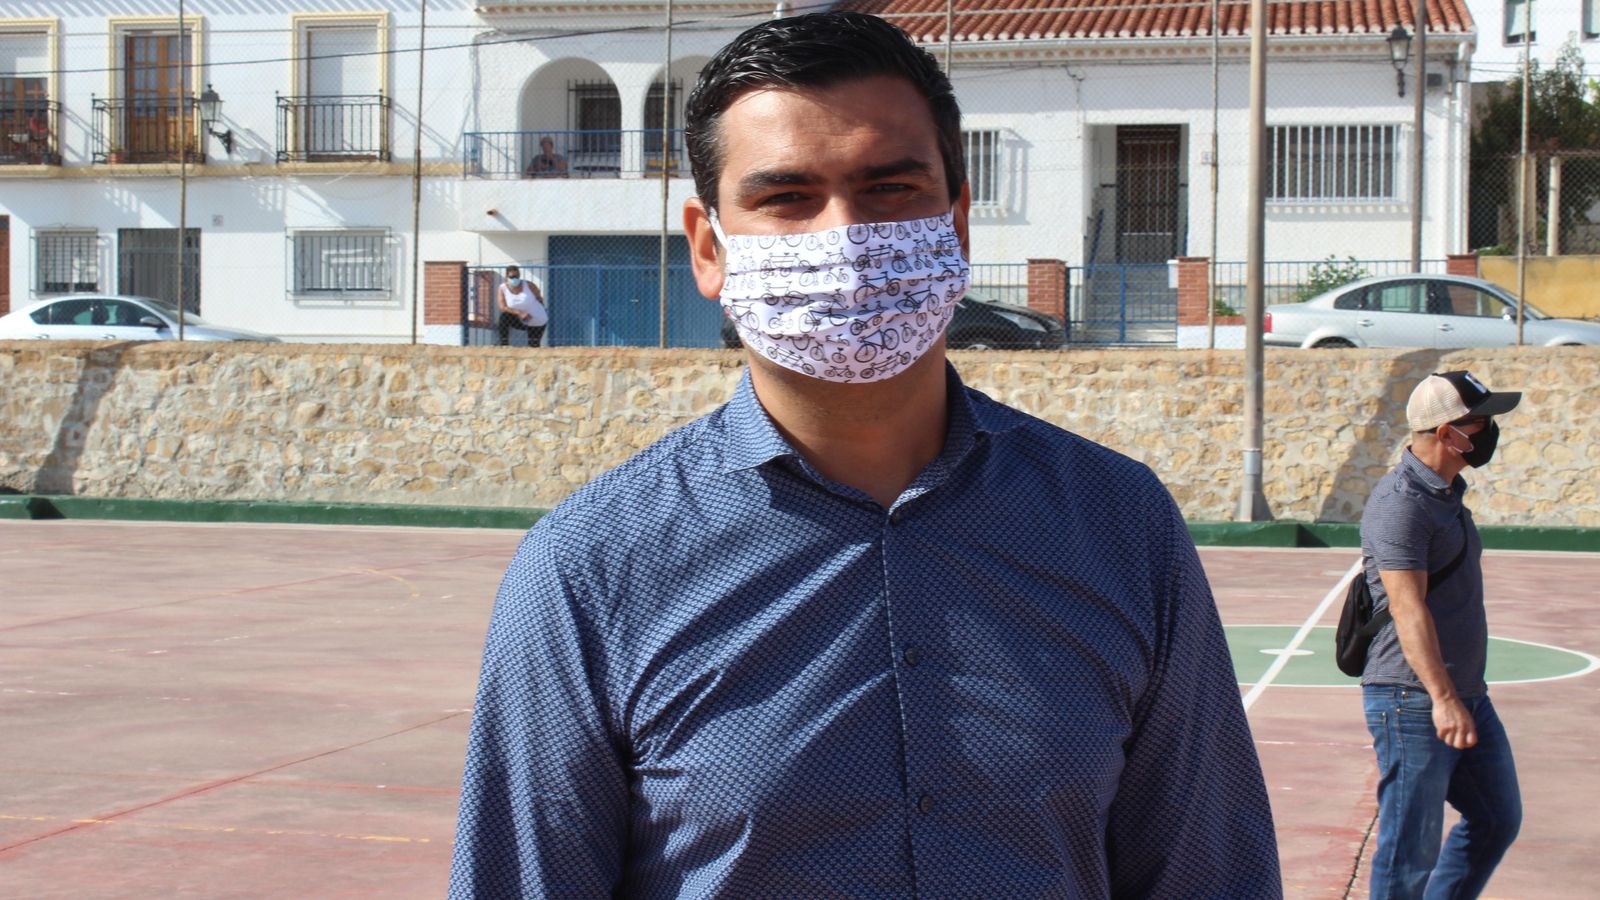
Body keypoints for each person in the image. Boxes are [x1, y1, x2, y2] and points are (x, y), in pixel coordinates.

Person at [450, 12, 1279, 898]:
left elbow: (1206, 871)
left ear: (956, 222)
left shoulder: (1118, 524)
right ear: (707, 247)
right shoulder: (591, 569)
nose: (842, 237)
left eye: (889, 190)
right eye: (786, 197)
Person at [1358, 370, 1524, 898]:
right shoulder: (1401, 503)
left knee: (1496, 817)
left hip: (1465, 694)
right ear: (1447, 432)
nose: (1491, 430)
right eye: (1481, 421)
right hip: (1414, 698)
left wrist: (1462, 696)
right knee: (1410, 851)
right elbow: (1407, 609)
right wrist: (1445, 698)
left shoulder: (1447, 491)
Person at [495, 265, 547, 347]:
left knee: (534, 346)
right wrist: (520, 312)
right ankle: (504, 344)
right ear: (506, 277)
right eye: (512, 277)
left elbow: (539, 298)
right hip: (520, 319)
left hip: (536, 320)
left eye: (517, 276)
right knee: (504, 317)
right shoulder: (502, 288)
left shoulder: (529, 285)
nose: (515, 279)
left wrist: (536, 310)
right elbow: (502, 307)